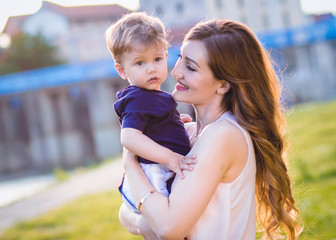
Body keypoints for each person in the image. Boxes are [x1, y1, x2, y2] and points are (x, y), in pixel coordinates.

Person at [119, 19, 302, 239]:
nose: (176, 72)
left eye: (191, 66)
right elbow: (125, 211)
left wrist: (130, 164)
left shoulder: (223, 135)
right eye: (179, 58)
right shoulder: (193, 132)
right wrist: (145, 222)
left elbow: (167, 228)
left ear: (223, 84)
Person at [105, 12, 192, 213]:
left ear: (166, 56)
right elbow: (129, 137)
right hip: (155, 173)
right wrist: (169, 157)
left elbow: (150, 125)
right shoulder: (138, 99)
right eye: (140, 63)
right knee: (170, 218)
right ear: (122, 70)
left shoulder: (151, 96)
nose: (151, 69)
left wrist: (173, 122)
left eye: (157, 59)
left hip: (163, 169)